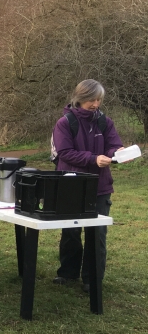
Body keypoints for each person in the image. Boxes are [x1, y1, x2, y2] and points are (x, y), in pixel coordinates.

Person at [52, 79, 122, 293]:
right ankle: (67, 273)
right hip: (71, 185)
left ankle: (92, 280)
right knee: (71, 232)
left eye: (99, 99)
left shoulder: (105, 122)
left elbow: (113, 145)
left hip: (100, 187)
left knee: (98, 234)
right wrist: (93, 159)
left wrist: (118, 154)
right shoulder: (64, 123)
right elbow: (65, 153)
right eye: (92, 99)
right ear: (80, 99)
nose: (96, 104)